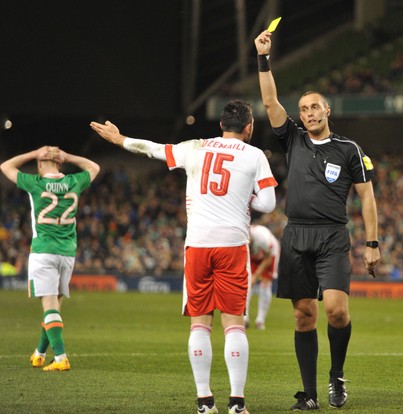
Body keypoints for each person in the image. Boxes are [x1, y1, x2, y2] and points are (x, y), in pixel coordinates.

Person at [90, 99, 277, 414]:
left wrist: (119, 139)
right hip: (232, 245)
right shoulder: (255, 155)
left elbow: (154, 149)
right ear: (249, 128)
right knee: (234, 325)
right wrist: (243, 196)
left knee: (199, 325)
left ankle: (205, 402)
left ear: (220, 125)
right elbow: (269, 204)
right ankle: (237, 403)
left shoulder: (195, 147)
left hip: (198, 245)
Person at [254, 30, 381, 410]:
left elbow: (367, 198)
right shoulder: (292, 137)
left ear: (328, 111)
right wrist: (263, 58)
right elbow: (270, 99)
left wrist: (372, 244)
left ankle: (336, 377)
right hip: (296, 236)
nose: (308, 113)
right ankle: (308, 395)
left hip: (331, 236)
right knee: (303, 315)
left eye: (315, 108)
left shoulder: (349, 150)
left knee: (337, 311)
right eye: (304, 108)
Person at [0, 146, 100, 371]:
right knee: (53, 307)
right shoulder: (74, 182)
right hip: (67, 253)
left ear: (38, 163)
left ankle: (61, 357)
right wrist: (69, 155)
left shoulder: (35, 183)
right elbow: (94, 167)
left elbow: (5, 166)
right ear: (60, 162)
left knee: (49, 307)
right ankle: (40, 353)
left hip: (44, 251)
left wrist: (31, 152)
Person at [244, 223, 280, 330]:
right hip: (253, 256)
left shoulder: (262, 238)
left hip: (270, 253)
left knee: (266, 283)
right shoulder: (241, 238)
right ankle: (245, 318)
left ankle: (260, 320)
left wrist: (256, 275)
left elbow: (268, 258)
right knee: (246, 283)